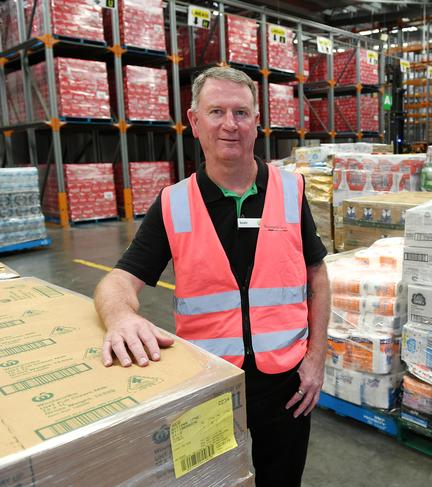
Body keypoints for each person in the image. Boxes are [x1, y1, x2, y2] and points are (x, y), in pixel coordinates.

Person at [94, 66, 330, 486]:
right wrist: (120, 317)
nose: (229, 124)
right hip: (207, 383)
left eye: (241, 113)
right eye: (216, 111)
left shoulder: (291, 190)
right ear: (194, 121)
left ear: (257, 121)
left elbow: (317, 274)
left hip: (286, 385)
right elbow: (117, 281)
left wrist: (315, 359)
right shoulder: (173, 203)